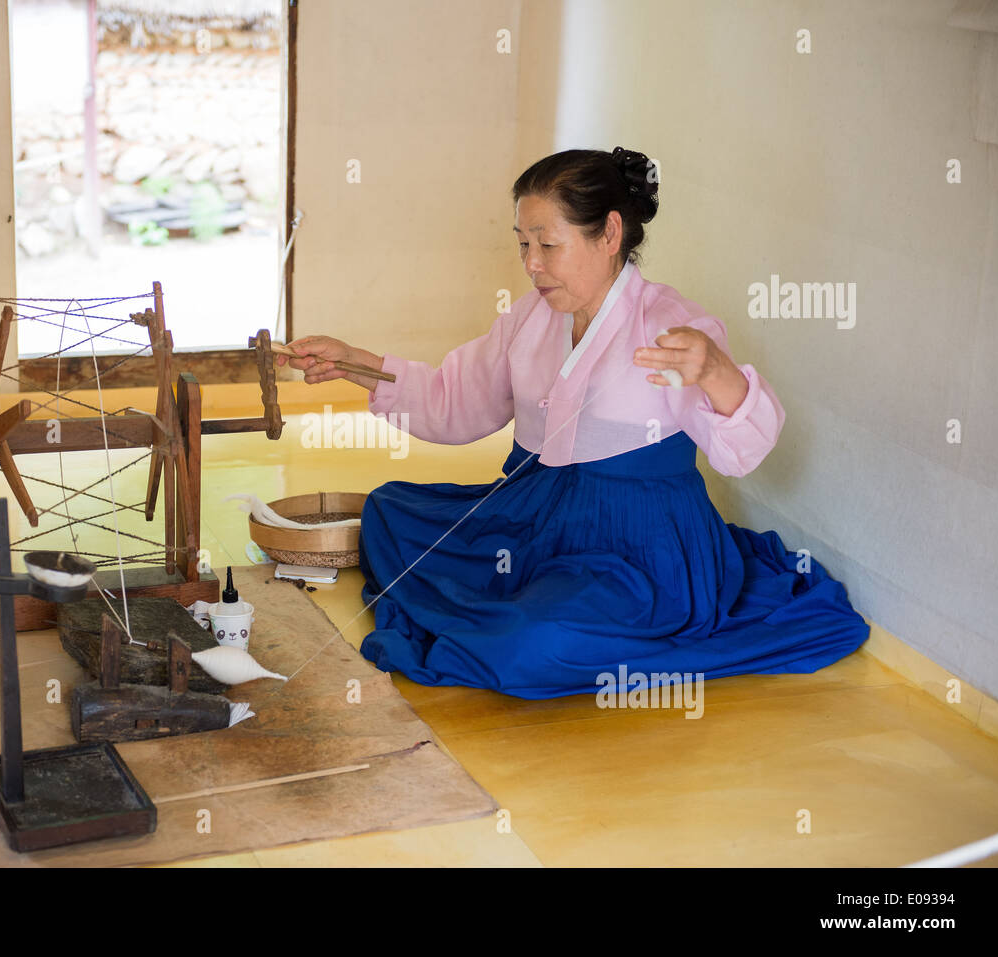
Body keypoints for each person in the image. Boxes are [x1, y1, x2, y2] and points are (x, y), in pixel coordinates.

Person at [278, 147, 869, 699]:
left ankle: (533, 620)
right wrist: (352, 362)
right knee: (388, 512)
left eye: (548, 245)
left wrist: (716, 372)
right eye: (523, 244)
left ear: (609, 234)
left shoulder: (670, 323)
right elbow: (454, 399)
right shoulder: (531, 318)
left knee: (529, 644)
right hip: (535, 510)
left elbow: (741, 454)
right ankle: (521, 601)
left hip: (638, 542)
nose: (532, 264)